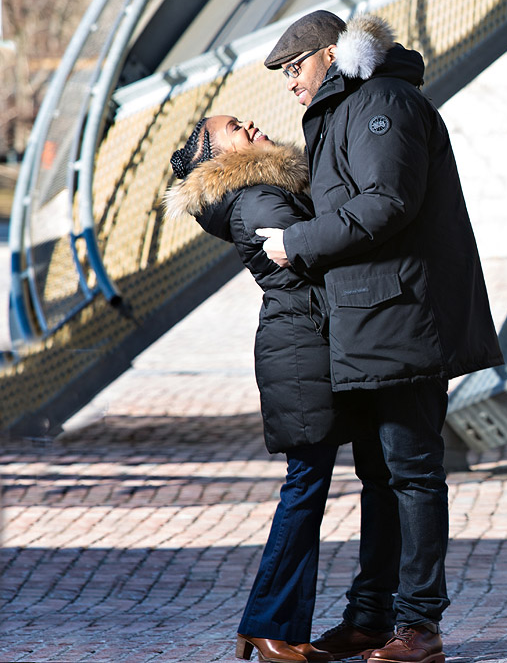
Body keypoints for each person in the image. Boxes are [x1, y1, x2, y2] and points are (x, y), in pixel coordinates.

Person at [256, 11, 503, 663]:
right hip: (371, 319)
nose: (289, 84)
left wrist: (296, 242)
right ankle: (370, 618)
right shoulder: (354, 105)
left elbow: (386, 201)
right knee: (379, 475)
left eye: (294, 67)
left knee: (414, 472)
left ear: (332, 55)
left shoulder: (382, 103)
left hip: (402, 319)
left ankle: (418, 627)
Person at [163, 115, 348, 663]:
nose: (252, 124)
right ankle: (268, 628)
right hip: (302, 351)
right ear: (219, 160)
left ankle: (273, 628)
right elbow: (315, 258)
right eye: (236, 129)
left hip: (301, 347)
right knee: (305, 488)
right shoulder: (256, 199)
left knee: (308, 487)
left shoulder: (254, 192)